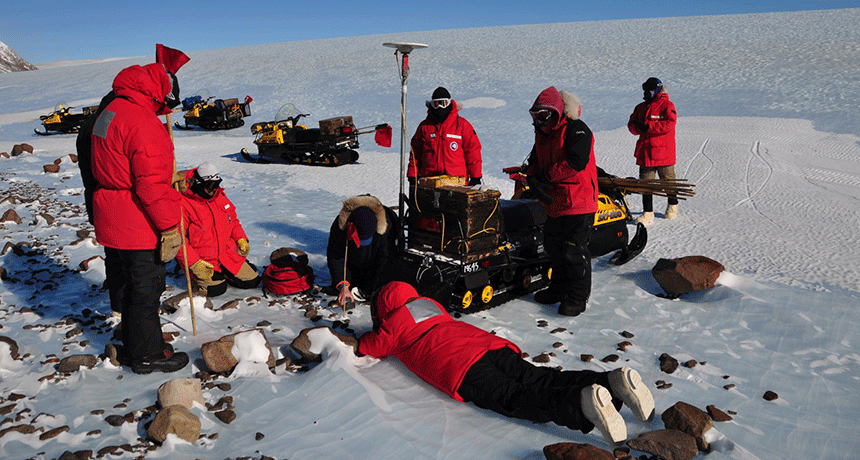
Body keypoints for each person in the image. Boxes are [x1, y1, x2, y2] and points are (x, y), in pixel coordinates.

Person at [357, 281, 655, 445]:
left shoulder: (393, 326)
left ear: (385, 311)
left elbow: (372, 346)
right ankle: (610, 382)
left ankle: (580, 404)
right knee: (539, 378)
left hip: (464, 368)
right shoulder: (429, 306)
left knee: (516, 397)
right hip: (490, 346)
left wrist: (360, 337)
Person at [90, 62, 189, 374]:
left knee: (130, 286)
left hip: (111, 215)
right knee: (146, 289)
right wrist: (170, 227)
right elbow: (150, 186)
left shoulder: (111, 111)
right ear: (158, 90)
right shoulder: (143, 122)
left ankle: (137, 342)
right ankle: (147, 356)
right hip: (137, 222)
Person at [524, 86, 599, 317]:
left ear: (556, 113)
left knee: (573, 251)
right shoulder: (543, 135)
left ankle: (578, 295)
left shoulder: (577, 130)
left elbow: (576, 162)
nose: (538, 121)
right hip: (555, 202)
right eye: (535, 116)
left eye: (543, 115)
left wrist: (544, 176)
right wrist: (533, 177)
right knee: (553, 248)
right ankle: (558, 287)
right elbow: (535, 160)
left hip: (579, 200)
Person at [175, 162, 260, 297]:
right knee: (217, 289)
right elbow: (178, 240)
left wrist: (241, 239)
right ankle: (203, 276)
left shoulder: (220, 197)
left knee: (252, 281)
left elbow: (233, 221)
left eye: (216, 184)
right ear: (198, 183)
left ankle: (226, 271)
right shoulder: (183, 203)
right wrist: (194, 263)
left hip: (226, 254)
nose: (213, 189)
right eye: (210, 186)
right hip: (202, 260)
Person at [326, 195, 400, 307]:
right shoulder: (341, 227)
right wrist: (343, 286)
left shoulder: (386, 225)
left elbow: (386, 259)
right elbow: (336, 256)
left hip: (375, 265)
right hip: (353, 264)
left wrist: (377, 288)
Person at [627, 77, 678, 224]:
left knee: (668, 181)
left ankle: (673, 206)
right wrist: (637, 126)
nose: (645, 93)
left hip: (663, 153)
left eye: (648, 90)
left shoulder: (667, 106)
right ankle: (648, 213)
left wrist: (648, 127)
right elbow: (631, 126)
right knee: (646, 184)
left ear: (656, 90)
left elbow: (669, 124)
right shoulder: (640, 107)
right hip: (645, 152)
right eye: (644, 90)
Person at [408, 87, 483, 186]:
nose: (440, 107)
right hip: (430, 181)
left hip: (456, 181)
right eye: (436, 104)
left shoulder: (462, 125)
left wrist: (475, 177)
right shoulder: (424, 127)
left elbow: (473, 152)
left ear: (449, 103)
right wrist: (412, 175)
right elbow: (415, 152)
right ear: (431, 105)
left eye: (443, 103)